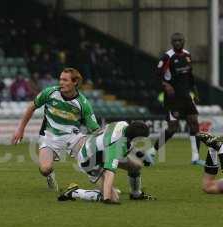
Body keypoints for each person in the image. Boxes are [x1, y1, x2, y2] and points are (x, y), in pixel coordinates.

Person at [12, 68, 100, 192]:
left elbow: (95, 129)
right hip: (49, 135)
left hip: (73, 136)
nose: (61, 83)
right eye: (60, 79)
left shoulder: (83, 103)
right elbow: (31, 107)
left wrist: (104, 141)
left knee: (91, 160)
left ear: (75, 82)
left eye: (65, 80)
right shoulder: (49, 93)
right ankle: (50, 176)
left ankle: (106, 187)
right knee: (45, 169)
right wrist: (20, 129)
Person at [58, 121, 156, 204]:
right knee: (113, 197)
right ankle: (74, 192)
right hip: (89, 162)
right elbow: (110, 172)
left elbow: (127, 145)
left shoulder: (123, 125)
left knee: (136, 166)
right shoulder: (117, 146)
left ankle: (136, 194)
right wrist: (107, 198)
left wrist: (140, 154)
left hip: (100, 152)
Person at [147, 32, 203, 166]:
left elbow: (190, 76)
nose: (178, 42)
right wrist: (166, 85)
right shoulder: (167, 57)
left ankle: (195, 157)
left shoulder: (187, 55)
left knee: (194, 123)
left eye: (180, 40)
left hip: (186, 96)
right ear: (172, 43)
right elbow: (157, 75)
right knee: (172, 128)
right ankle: (151, 152)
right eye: (175, 41)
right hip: (173, 99)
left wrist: (195, 93)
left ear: (184, 41)